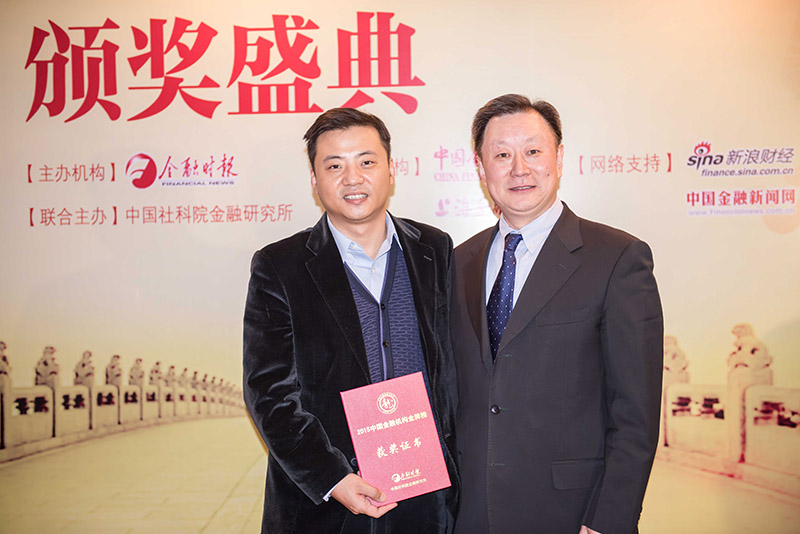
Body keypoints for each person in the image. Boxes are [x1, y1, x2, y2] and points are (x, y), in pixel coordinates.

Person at [451, 94, 663, 534]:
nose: (519, 169)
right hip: (471, 511)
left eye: (533, 151)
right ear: (480, 167)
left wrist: (609, 519)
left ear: (559, 158)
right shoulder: (458, 263)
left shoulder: (617, 257)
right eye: (502, 155)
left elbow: (635, 411)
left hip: (571, 514)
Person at [243, 108, 459, 533]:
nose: (352, 178)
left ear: (391, 170)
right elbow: (268, 392)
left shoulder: (435, 250)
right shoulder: (280, 266)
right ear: (314, 180)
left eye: (366, 161)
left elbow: (452, 369)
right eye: (334, 166)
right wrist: (333, 478)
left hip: (428, 499)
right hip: (328, 507)